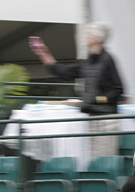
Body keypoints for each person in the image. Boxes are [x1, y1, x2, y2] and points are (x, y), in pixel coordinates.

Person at [29, 23, 125, 158]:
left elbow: (118, 89)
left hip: (107, 119)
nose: (86, 36)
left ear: (99, 38)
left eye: (90, 34)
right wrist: (44, 54)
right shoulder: (86, 63)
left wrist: (98, 99)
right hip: (91, 117)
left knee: (104, 159)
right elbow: (64, 73)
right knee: (95, 160)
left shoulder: (108, 60)